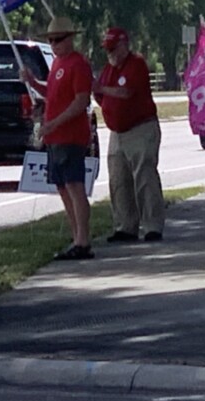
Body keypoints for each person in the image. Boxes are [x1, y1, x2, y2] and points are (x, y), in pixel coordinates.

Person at [21, 17, 95, 260]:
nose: (54, 44)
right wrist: (32, 83)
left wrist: (54, 122)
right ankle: (76, 237)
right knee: (62, 187)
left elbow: (81, 101)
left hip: (71, 136)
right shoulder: (57, 65)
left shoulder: (78, 65)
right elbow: (52, 93)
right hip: (54, 137)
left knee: (75, 186)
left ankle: (83, 240)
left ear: (70, 38)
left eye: (58, 40)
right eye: (51, 40)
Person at [93, 27, 166, 242]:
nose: (111, 55)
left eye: (114, 49)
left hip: (141, 129)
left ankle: (153, 225)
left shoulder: (137, 64)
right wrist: (102, 96)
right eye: (107, 50)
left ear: (124, 45)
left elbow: (126, 92)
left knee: (144, 177)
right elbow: (101, 95)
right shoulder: (108, 69)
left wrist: (103, 89)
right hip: (117, 132)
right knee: (119, 180)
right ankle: (126, 226)